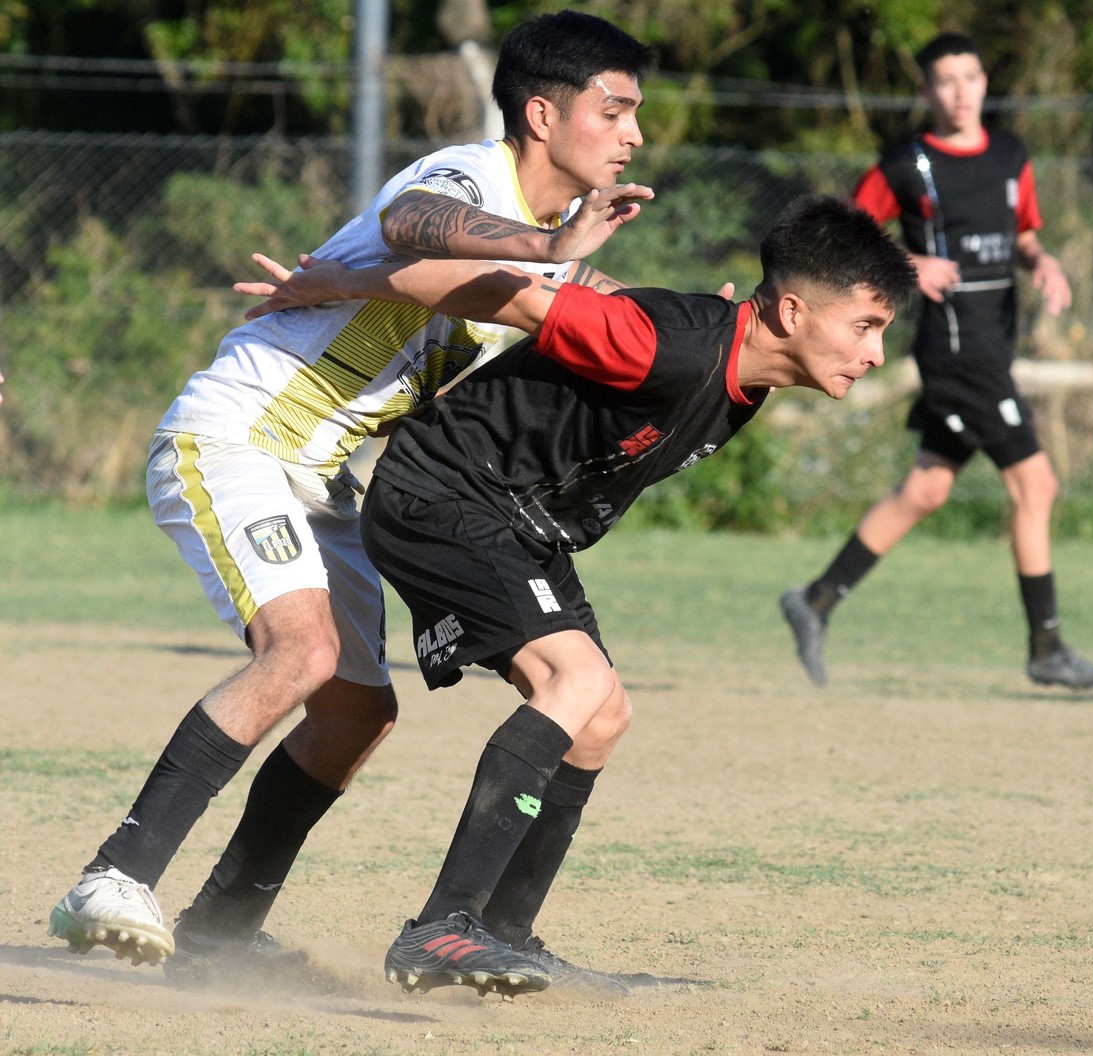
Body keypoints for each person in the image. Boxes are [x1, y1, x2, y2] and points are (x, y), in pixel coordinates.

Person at [47, 10, 655, 986]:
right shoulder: (467, 176)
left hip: (323, 479)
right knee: (304, 651)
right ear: (542, 113)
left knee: (357, 715)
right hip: (238, 434)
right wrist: (546, 243)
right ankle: (113, 876)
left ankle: (218, 932)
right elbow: (418, 227)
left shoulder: (549, 251)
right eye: (613, 110)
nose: (631, 135)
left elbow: (612, 317)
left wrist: (718, 331)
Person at [235, 193, 918, 997]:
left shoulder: (728, 362)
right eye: (865, 328)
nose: (875, 353)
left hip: (521, 523)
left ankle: (500, 932)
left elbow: (608, 302)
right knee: (577, 683)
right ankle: (441, 928)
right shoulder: (672, 344)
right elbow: (503, 287)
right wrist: (341, 282)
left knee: (600, 717)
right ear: (795, 310)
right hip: (444, 496)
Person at [778, 32, 1093, 691]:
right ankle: (1046, 647)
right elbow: (842, 237)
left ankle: (814, 600)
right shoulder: (906, 164)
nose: (960, 92)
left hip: (995, 348)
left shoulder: (1010, 156)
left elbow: (1023, 236)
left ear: (985, 82)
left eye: (970, 77)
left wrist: (1042, 262)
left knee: (926, 489)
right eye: (945, 80)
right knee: (1036, 485)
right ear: (927, 91)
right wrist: (909, 263)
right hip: (956, 355)